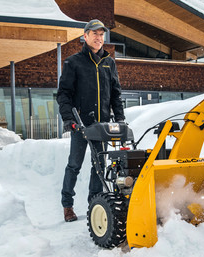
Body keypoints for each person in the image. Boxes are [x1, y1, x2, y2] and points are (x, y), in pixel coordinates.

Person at [57, 19, 125, 222]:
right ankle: (67, 205)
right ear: (85, 36)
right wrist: (69, 118)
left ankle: (94, 204)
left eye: (101, 34)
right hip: (80, 124)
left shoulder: (109, 62)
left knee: (99, 167)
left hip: (102, 126)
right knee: (74, 165)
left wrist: (120, 118)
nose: (99, 38)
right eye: (94, 34)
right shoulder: (73, 62)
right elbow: (64, 94)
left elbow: (115, 94)